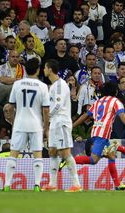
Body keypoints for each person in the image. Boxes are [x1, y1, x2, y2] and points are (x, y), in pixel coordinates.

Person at [73, 82, 125, 190]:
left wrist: (72, 125)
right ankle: (70, 160)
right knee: (93, 160)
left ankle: (117, 184)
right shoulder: (115, 101)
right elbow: (123, 117)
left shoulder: (98, 102)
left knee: (111, 155)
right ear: (115, 91)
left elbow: (85, 116)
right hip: (102, 134)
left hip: (96, 132)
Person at [3, 58, 50, 192]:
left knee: (13, 154)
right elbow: (46, 110)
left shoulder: (17, 84)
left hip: (20, 123)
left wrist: (13, 122)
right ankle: (36, 185)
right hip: (35, 124)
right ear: (37, 70)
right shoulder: (42, 86)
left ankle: (7, 185)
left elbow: (10, 106)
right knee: (37, 154)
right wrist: (46, 127)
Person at [42, 59, 81, 192]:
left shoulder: (60, 85)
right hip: (55, 123)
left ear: (50, 69)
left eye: (45, 68)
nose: (43, 70)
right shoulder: (53, 86)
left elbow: (57, 105)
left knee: (65, 153)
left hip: (61, 122)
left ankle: (76, 184)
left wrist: (47, 118)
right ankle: (52, 184)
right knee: (52, 151)